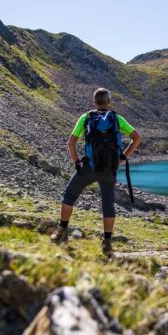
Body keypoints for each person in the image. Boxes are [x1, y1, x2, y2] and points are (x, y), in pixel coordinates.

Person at [50, 88, 142, 256]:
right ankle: (107, 243)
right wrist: (122, 158)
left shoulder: (86, 118)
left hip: (88, 168)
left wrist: (76, 162)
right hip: (109, 170)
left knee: (69, 196)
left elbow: (71, 142)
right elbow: (137, 137)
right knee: (108, 204)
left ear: (94, 102)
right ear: (109, 102)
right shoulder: (117, 118)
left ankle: (62, 233)